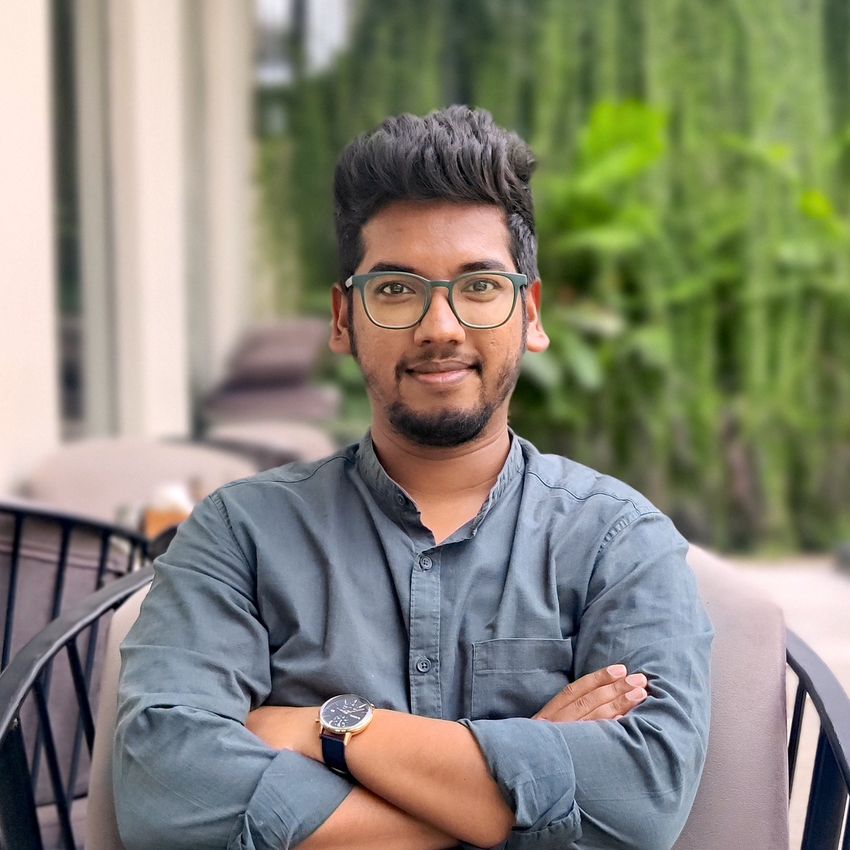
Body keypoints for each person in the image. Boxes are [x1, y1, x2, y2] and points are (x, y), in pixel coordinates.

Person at [114, 106, 713, 850]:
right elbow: (165, 794)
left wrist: (328, 730)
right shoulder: (242, 532)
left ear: (529, 313)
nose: (440, 328)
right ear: (344, 319)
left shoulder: (617, 540)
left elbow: (640, 802)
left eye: (480, 286)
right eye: (396, 289)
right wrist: (519, 788)